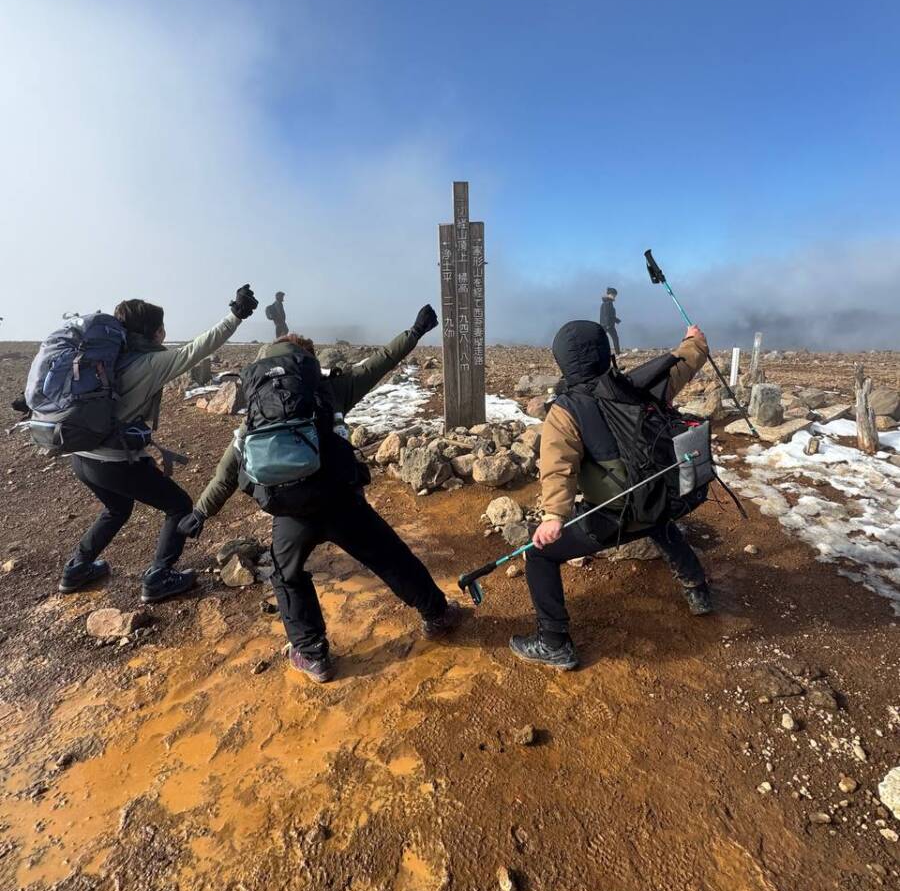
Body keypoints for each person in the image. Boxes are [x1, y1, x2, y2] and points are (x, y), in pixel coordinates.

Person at [180, 304, 463, 683]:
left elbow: (229, 468)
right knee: (389, 556)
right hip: (340, 499)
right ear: (307, 361)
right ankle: (438, 614)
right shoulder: (326, 389)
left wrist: (201, 513)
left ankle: (313, 655)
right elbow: (379, 362)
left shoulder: (258, 404)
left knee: (287, 575)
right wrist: (414, 332)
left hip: (290, 510)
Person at [509, 320, 713, 671]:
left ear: (563, 362)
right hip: (662, 498)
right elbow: (683, 362)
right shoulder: (639, 385)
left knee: (539, 554)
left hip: (613, 517)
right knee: (657, 520)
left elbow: (558, 468)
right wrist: (695, 341)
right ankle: (697, 590)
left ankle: (554, 642)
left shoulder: (566, 410)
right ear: (607, 352)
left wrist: (553, 517)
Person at [59, 285, 258, 602]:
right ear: (153, 332)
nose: (165, 332)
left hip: (81, 455)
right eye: (162, 327)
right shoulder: (150, 363)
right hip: (110, 461)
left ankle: (76, 569)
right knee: (178, 506)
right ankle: (159, 577)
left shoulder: (106, 359)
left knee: (117, 507)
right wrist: (235, 316)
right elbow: (196, 350)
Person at [599, 287, 621, 354]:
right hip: (608, 325)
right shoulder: (608, 303)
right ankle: (618, 353)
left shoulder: (606, 302)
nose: (614, 296)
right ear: (609, 294)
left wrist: (616, 320)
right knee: (615, 338)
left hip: (605, 324)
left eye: (615, 295)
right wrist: (608, 324)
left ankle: (600, 352)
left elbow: (609, 315)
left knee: (602, 339)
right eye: (614, 295)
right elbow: (607, 315)